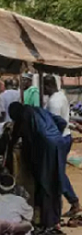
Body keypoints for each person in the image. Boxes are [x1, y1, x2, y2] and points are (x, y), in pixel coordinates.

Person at [9, 102, 71, 227]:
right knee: (56, 179)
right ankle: (55, 218)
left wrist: (11, 145)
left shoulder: (24, 116)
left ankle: (48, 221)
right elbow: (62, 122)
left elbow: (18, 136)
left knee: (46, 183)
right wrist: (54, 134)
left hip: (46, 148)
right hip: (58, 143)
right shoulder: (38, 110)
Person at [44, 75, 80, 217]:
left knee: (58, 173)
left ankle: (73, 201)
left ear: (47, 86)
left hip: (59, 138)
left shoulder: (54, 102)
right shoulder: (61, 95)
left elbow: (56, 124)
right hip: (65, 136)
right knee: (58, 172)